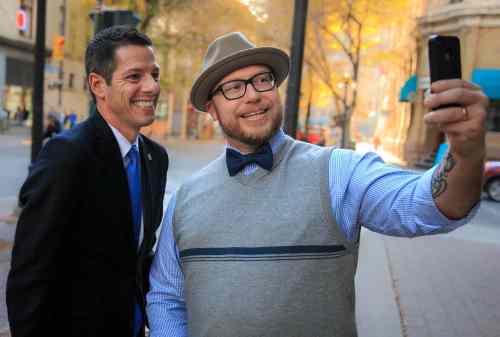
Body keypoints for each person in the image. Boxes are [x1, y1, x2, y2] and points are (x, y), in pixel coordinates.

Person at [146, 32, 488, 337]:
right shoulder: (186, 199)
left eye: (262, 80)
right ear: (213, 110)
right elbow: (166, 297)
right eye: (234, 88)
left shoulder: (338, 172)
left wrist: (466, 150)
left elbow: (427, 205)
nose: (252, 95)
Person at [7, 26, 169, 337]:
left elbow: (132, 255)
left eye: (155, 75)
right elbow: (30, 275)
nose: (151, 87)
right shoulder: (66, 156)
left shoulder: (155, 159)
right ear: (98, 85)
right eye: (135, 76)